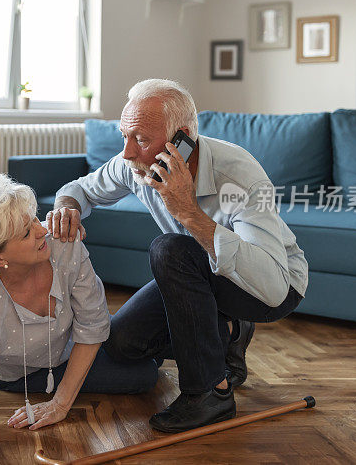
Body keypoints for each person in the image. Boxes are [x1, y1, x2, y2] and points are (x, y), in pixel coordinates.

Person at [47, 78, 308, 433]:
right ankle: (228, 333)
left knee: (169, 249)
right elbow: (80, 189)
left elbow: (273, 288)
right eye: (125, 135)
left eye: (140, 139)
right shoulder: (136, 163)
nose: (127, 152)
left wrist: (188, 212)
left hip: (266, 285)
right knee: (123, 344)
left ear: (181, 138)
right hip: (197, 276)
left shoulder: (239, 176)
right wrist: (67, 206)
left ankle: (208, 394)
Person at [0, 174, 159, 465]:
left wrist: (61, 403)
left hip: (71, 339)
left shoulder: (62, 243)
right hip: (24, 372)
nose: (41, 230)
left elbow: (93, 325)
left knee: (132, 342)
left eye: (34, 218)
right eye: (25, 233)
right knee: (145, 373)